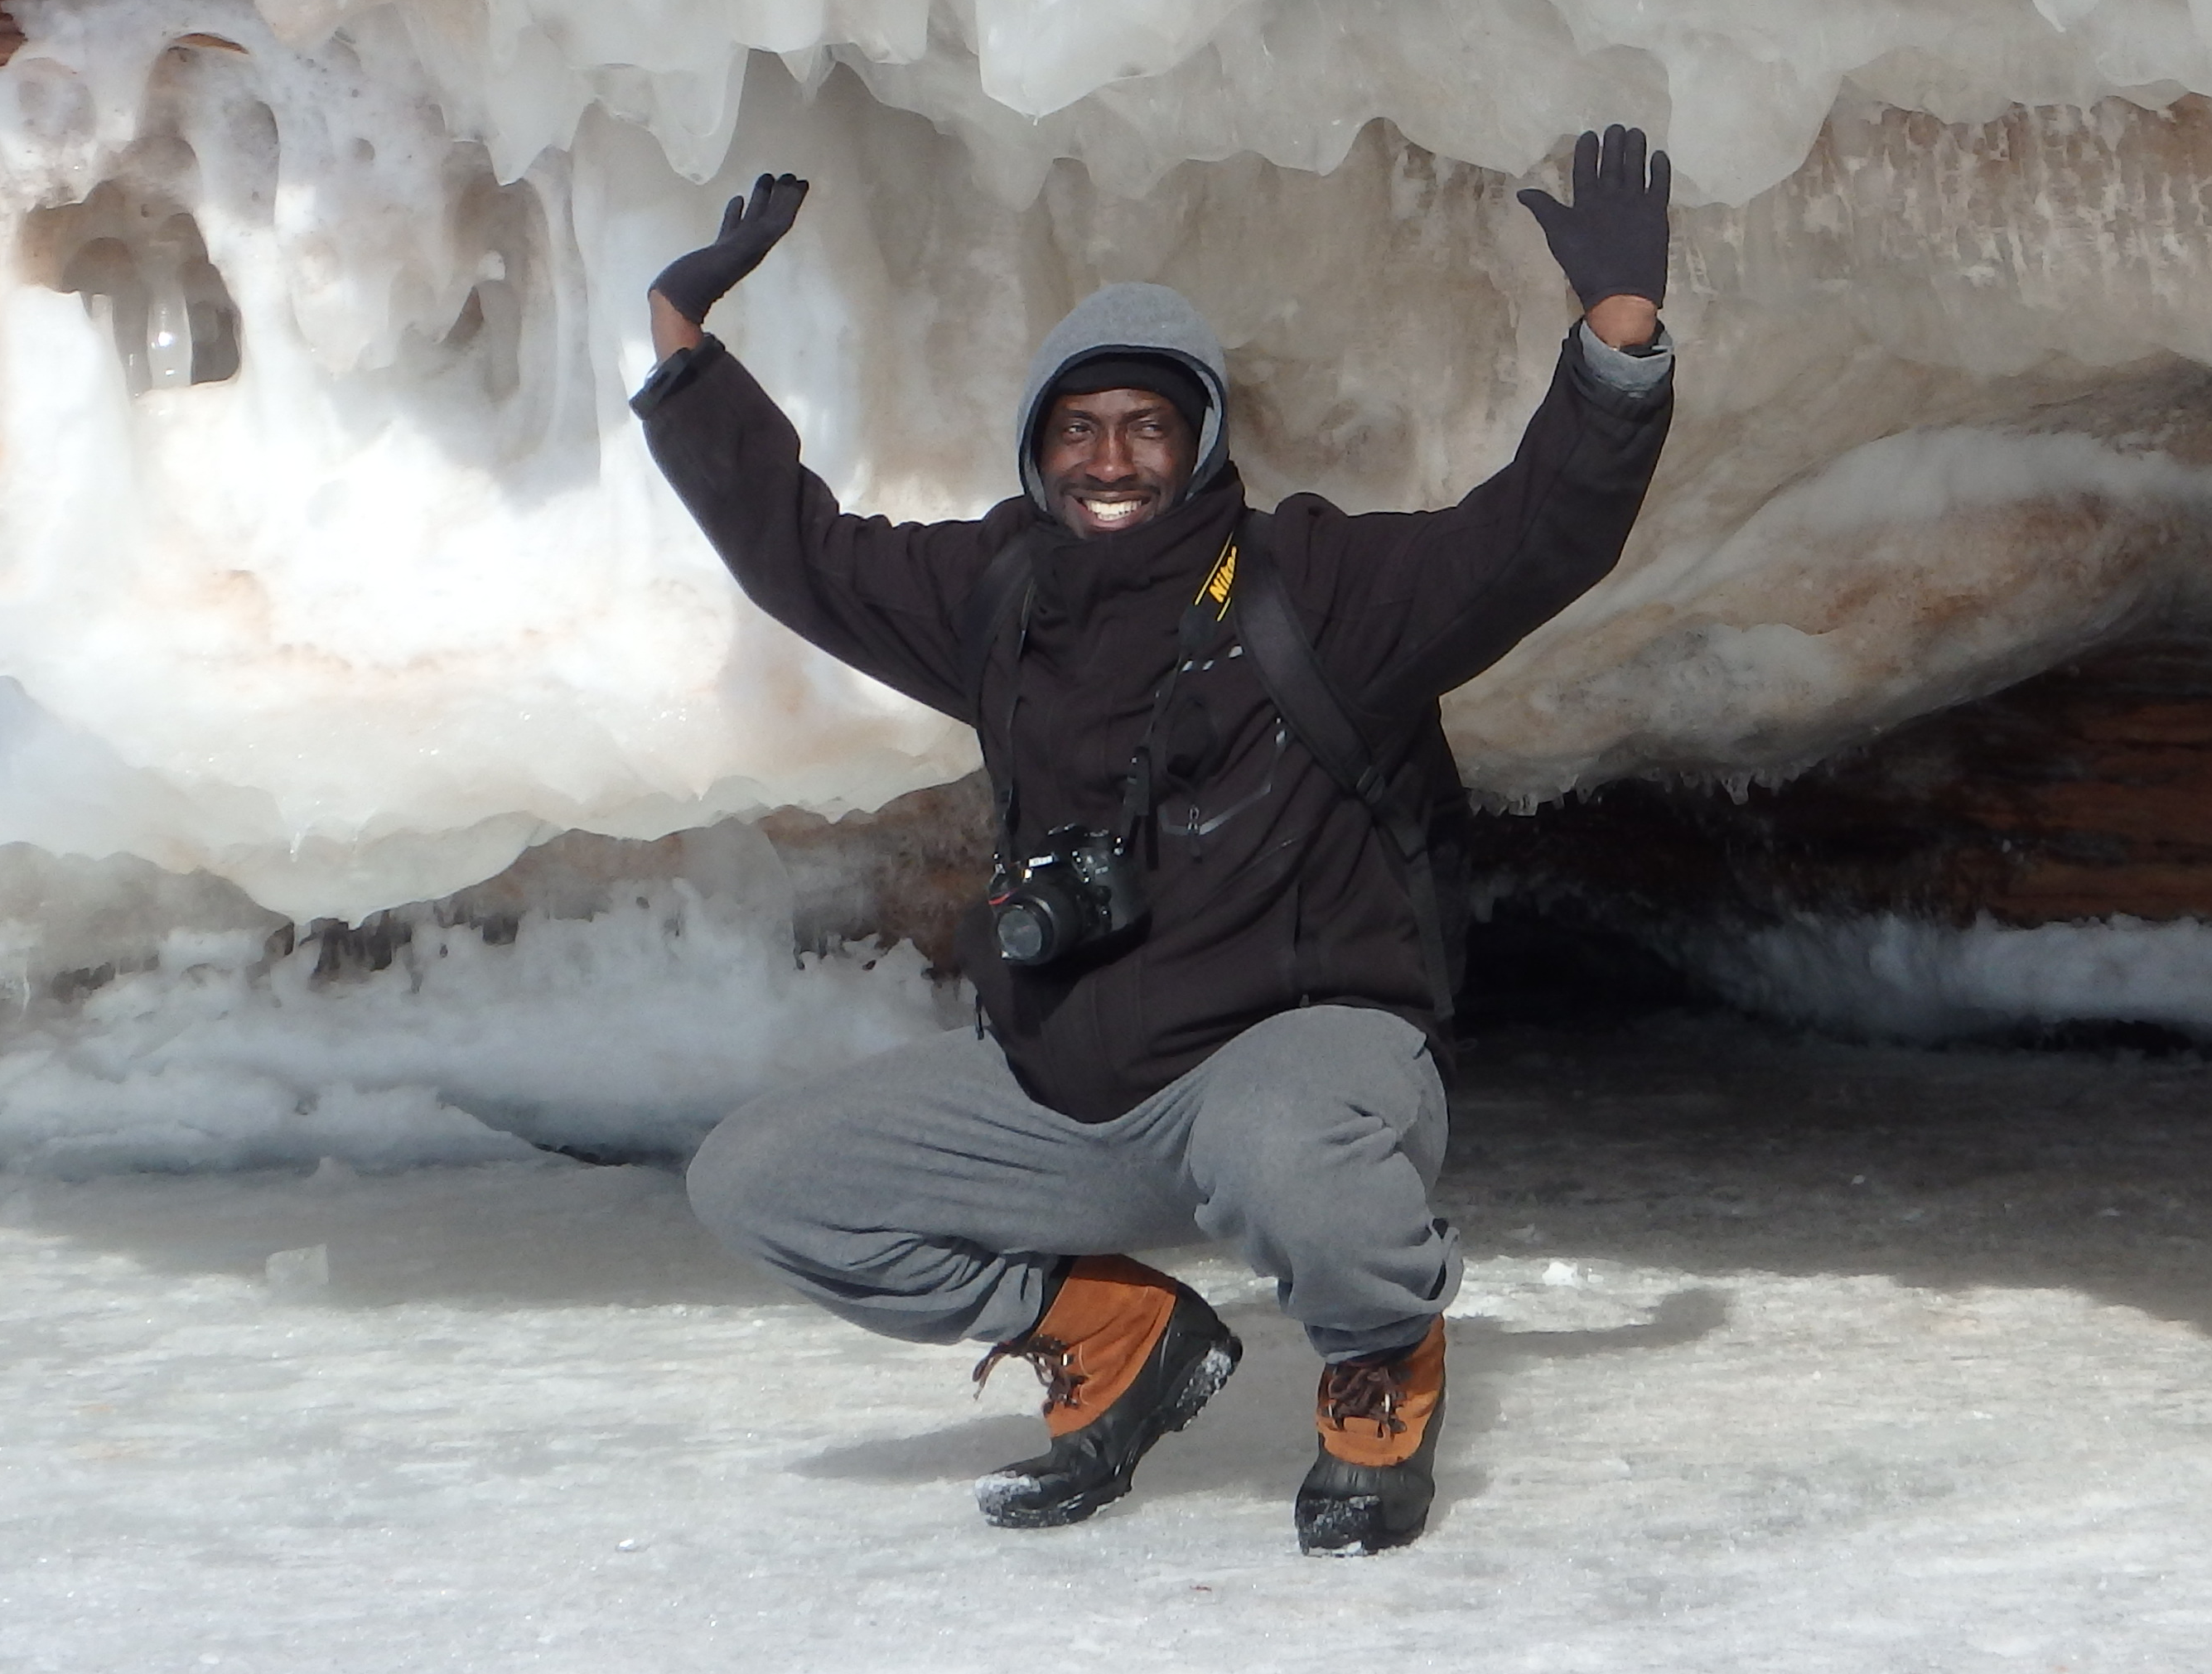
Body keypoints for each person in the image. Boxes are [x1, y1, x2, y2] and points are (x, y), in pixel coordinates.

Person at [629, 128, 1676, 1555]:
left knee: (1275, 1143)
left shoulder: (1320, 587)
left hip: (1299, 1077)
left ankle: (1381, 1353)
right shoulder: (997, 595)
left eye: (1145, 427)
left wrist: (1617, 342)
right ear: (1039, 450)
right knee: (759, 1179)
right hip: (1076, 1099)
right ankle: (1118, 1337)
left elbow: (1534, 539)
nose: (1109, 459)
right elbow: (800, 553)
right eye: (1079, 428)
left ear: (1199, 445)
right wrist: (683, 351)